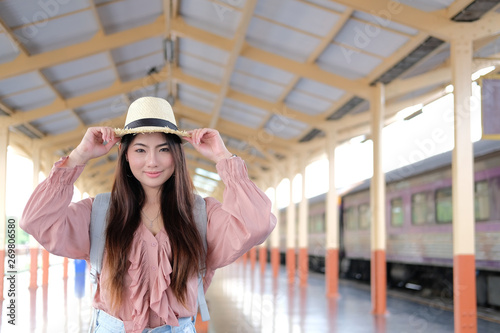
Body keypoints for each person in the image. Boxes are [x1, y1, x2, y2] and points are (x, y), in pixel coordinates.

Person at [20, 96, 277, 333]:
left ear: (177, 155)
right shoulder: (98, 212)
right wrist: (79, 156)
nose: (152, 161)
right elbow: (36, 220)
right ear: (125, 155)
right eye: (140, 150)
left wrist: (223, 157)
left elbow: (256, 224)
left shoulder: (201, 214)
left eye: (164, 150)